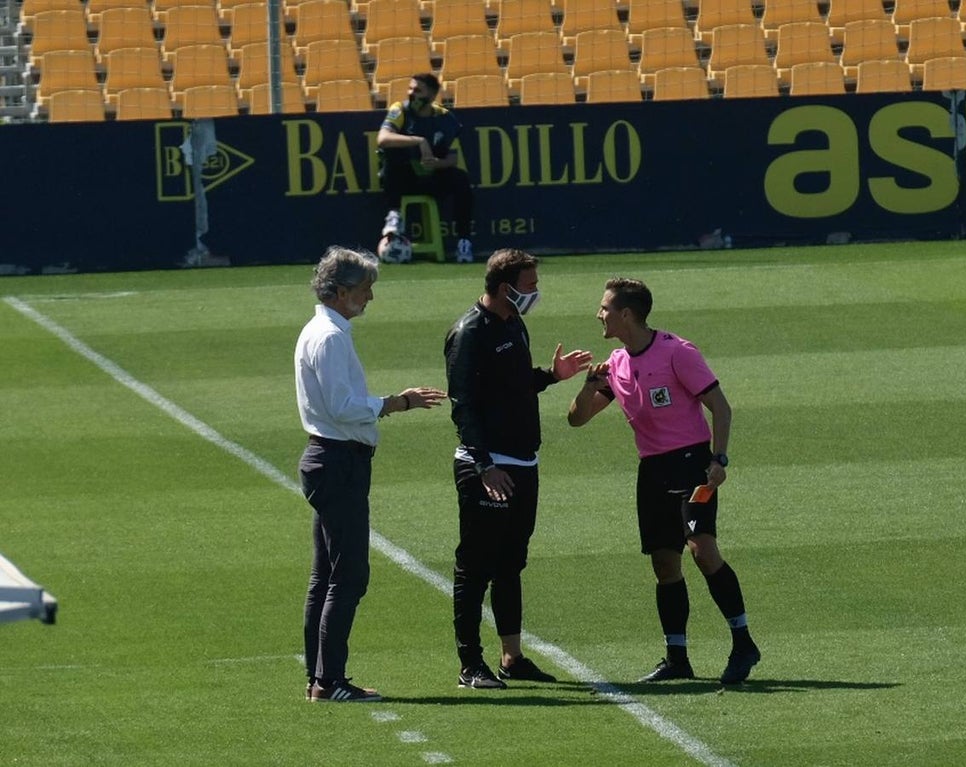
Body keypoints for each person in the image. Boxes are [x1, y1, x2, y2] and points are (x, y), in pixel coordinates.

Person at [567, 278, 761, 685]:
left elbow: (720, 408)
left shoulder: (677, 352)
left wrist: (720, 458)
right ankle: (677, 658)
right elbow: (577, 419)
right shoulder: (615, 363)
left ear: (626, 314)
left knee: (702, 550)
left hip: (692, 464)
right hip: (652, 470)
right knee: (664, 563)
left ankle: (743, 642)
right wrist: (588, 388)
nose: (598, 315)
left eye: (604, 308)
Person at [296, 246, 448, 703]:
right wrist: (396, 402)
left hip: (331, 461)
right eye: (365, 290)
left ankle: (320, 676)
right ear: (340, 291)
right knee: (348, 576)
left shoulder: (324, 330)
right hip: (338, 463)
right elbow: (343, 407)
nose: (370, 298)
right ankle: (329, 681)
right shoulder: (330, 337)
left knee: (327, 575)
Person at [444, 249, 593, 689]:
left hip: (524, 462)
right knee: (474, 566)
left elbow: (516, 382)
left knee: (511, 564)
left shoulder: (514, 323)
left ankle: (512, 657)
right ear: (504, 286)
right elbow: (463, 406)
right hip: (487, 468)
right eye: (529, 286)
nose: (535, 293)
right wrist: (485, 465)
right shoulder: (469, 333)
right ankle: (470, 664)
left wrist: (552, 374)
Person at [376, 73, 475, 264]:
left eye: (418, 90)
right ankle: (394, 214)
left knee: (461, 179)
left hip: (432, 179)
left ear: (432, 95)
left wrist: (437, 163)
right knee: (391, 155)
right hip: (403, 179)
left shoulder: (445, 118)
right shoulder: (400, 110)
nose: (411, 93)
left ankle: (464, 242)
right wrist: (419, 141)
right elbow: (382, 138)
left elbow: (452, 158)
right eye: (410, 89)